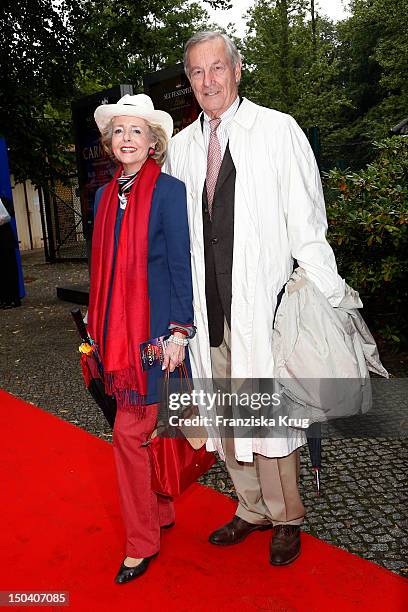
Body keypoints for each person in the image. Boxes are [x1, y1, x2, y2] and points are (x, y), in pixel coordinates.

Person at [164, 31, 345, 566]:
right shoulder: (182, 146)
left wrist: (324, 295)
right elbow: (177, 234)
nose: (208, 81)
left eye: (217, 68)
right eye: (197, 73)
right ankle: (251, 507)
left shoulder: (277, 130)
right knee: (225, 412)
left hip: (260, 307)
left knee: (268, 414)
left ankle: (286, 515)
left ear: (237, 71)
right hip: (207, 309)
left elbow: (307, 219)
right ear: (189, 82)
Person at [89, 94, 194, 583]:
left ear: (154, 142)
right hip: (114, 335)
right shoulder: (102, 197)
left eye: (137, 131)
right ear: (110, 143)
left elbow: (179, 265)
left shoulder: (170, 191)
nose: (127, 138)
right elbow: (103, 270)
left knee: (128, 436)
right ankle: (161, 513)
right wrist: (96, 324)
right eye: (119, 131)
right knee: (143, 432)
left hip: (153, 339)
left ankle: (140, 542)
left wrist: (179, 331)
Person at [0, 194, 21, 309]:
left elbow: (11, 212)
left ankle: (13, 299)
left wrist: (3, 218)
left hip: (6, 241)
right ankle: (3, 299)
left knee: (10, 270)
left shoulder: (3, 199)